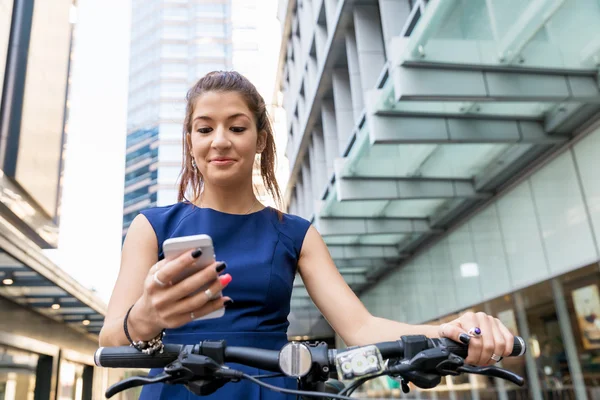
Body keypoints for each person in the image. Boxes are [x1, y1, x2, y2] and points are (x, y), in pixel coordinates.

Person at [99, 71, 516, 399]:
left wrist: (447, 330)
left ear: (260, 139)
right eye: (204, 129)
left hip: (271, 389)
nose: (220, 141)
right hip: (175, 389)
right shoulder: (152, 226)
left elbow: (360, 328)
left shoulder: (296, 233)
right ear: (189, 142)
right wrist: (147, 317)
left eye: (237, 127)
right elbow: (111, 339)